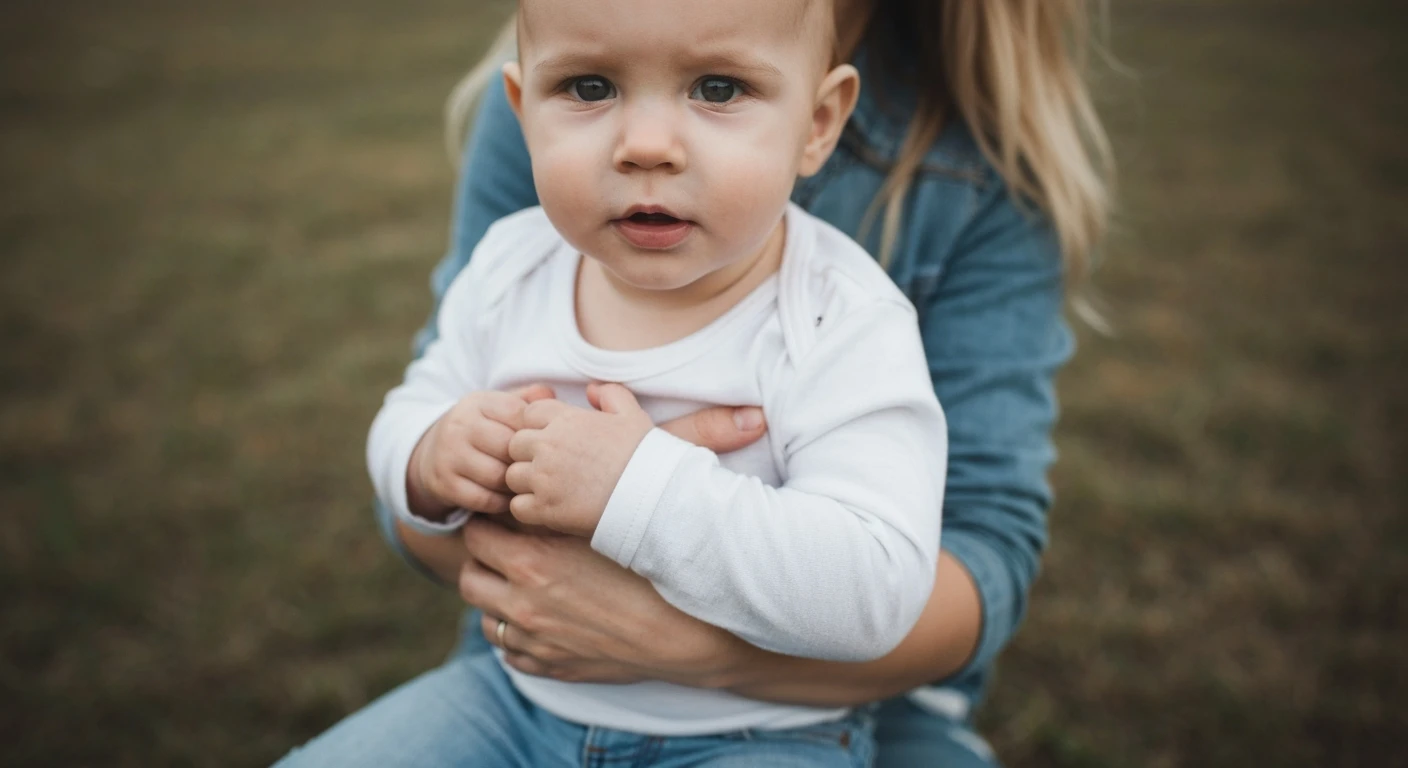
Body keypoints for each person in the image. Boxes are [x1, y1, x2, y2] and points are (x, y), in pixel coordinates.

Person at [283, 0, 1113, 764]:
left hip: (759, 736)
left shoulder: (841, 321)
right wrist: (431, 457)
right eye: (590, 87)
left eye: (717, 89)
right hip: (514, 700)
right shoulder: (515, 264)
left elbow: (880, 583)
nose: (646, 143)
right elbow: (412, 407)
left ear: (818, 122)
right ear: (522, 110)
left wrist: (636, 491)